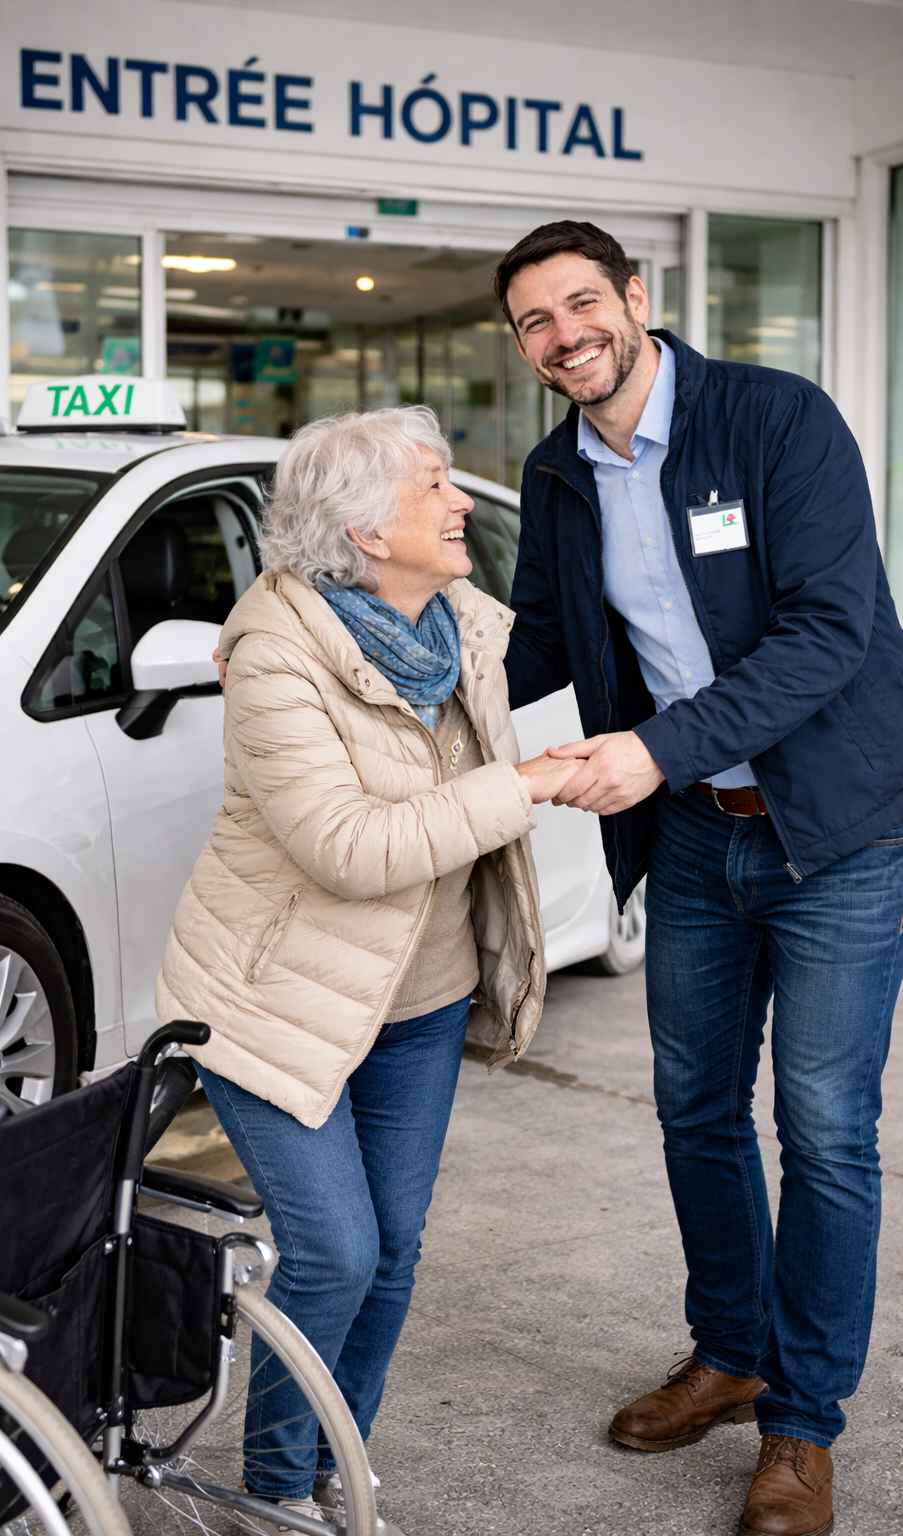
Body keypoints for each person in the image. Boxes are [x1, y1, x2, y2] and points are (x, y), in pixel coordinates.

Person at [496, 219, 903, 1536]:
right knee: (694, 1110)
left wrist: (651, 748)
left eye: (581, 304)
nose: (567, 336)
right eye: (536, 324)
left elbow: (831, 630)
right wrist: (351, 650)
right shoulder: (558, 476)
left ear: (636, 295)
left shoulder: (778, 421)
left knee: (827, 1131)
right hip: (693, 834)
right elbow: (532, 640)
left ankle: (802, 1426)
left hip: (837, 829)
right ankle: (729, 1354)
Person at [157, 406, 581, 1535]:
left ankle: (335, 1454)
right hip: (273, 1000)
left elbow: (589, 629)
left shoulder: (456, 624)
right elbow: (350, 848)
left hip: (420, 1000)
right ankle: (275, 1488)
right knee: (336, 1252)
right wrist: (523, 783)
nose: (459, 502)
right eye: (436, 485)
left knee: (392, 1251)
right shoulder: (274, 655)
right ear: (363, 528)